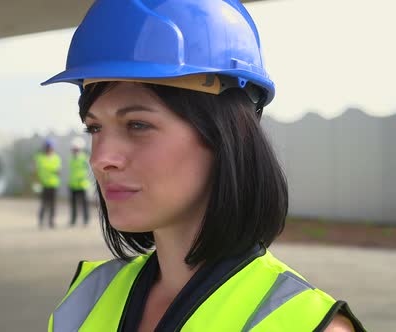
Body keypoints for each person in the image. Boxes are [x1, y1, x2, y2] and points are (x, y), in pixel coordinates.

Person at [42, 0, 365, 331]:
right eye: (95, 128)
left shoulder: (304, 325)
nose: (100, 158)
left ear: (231, 132)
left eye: (137, 125)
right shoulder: (84, 301)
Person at [34, 138, 62, 229]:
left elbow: (58, 171)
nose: (49, 149)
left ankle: (51, 221)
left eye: (50, 147)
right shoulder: (39, 157)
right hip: (43, 184)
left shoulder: (56, 158)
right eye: (47, 147)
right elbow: (36, 170)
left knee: (53, 204)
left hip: (53, 184)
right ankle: (41, 221)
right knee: (44, 204)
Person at [68, 137, 91, 227]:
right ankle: (73, 220)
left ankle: (86, 220)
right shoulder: (71, 158)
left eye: (76, 148)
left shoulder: (84, 157)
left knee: (84, 205)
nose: (74, 150)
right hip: (73, 185)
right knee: (73, 205)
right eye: (74, 148)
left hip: (82, 185)